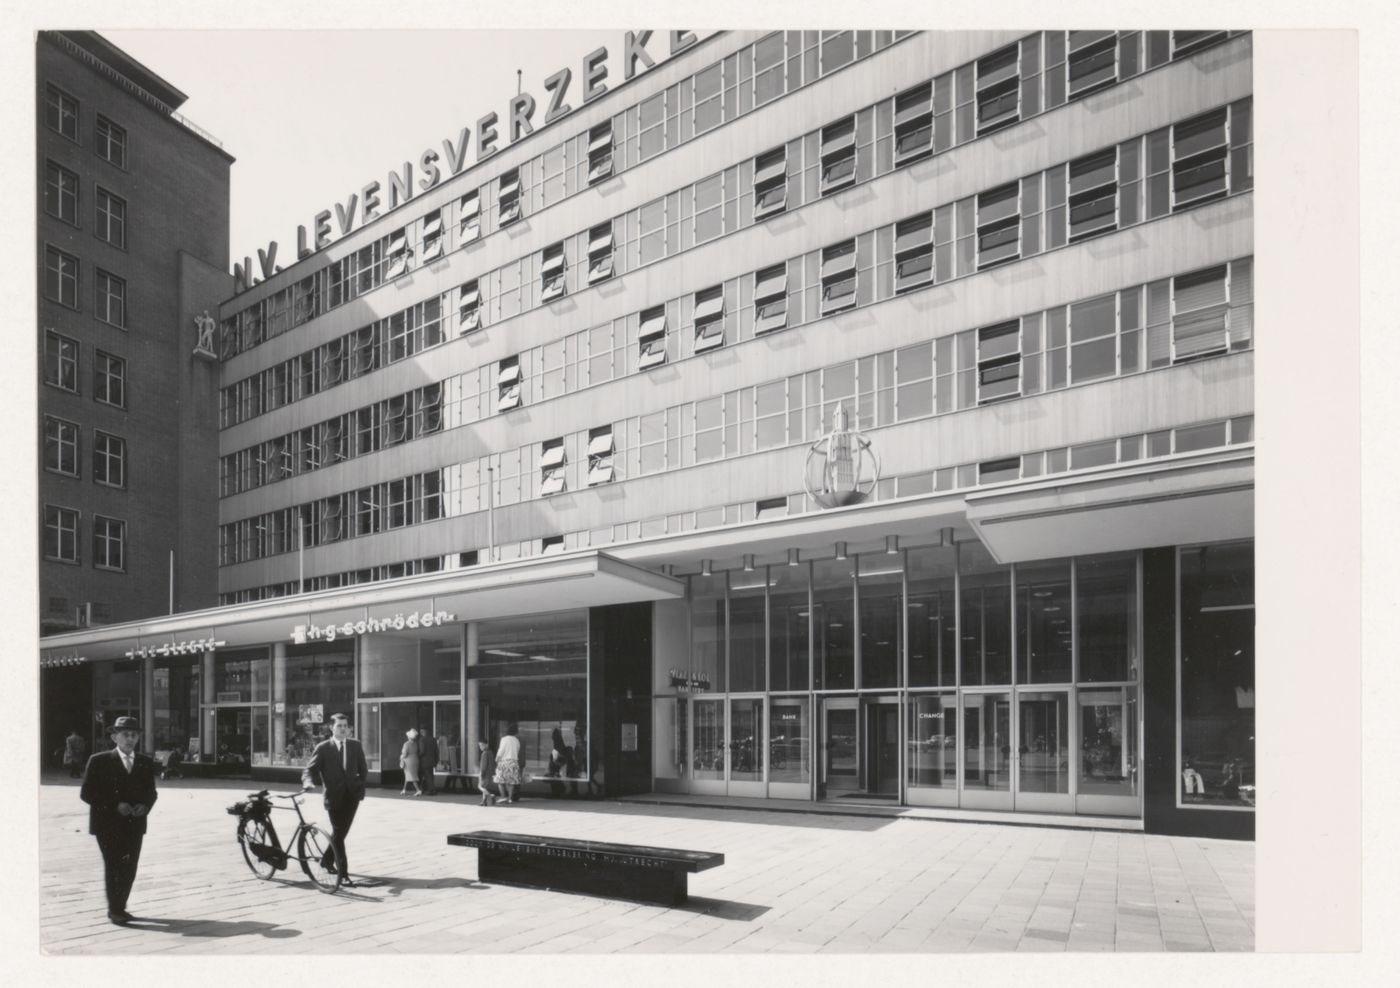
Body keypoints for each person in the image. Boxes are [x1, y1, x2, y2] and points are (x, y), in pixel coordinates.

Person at [79, 716, 158, 924]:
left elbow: (151, 792)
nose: (130, 739)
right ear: (115, 737)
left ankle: (120, 906)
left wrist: (146, 806)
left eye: (134, 735)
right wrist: (115, 805)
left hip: (135, 824)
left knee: (130, 866)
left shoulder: (145, 762)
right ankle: (115, 909)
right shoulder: (98, 760)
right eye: (125, 734)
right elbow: (87, 793)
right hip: (107, 825)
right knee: (114, 864)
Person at [301, 713, 368, 887]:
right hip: (334, 797)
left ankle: (326, 860)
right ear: (332, 728)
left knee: (340, 833)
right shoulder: (323, 748)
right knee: (339, 832)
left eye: (346, 725)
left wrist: (359, 784)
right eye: (339, 726)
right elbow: (309, 770)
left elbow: (363, 769)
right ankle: (343, 873)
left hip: (352, 796)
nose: (343, 729)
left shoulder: (355, 745)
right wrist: (308, 783)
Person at [495, 723, 524, 803]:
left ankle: (503, 796)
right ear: (515, 732)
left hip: (504, 762)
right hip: (514, 762)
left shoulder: (504, 739)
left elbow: (501, 751)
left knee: (500, 781)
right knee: (511, 782)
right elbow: (517, 751)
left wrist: (497, 759)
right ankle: (510, 798)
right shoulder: (517, 740)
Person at [399, 728, 422, 796]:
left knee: (412, 776)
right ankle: (404, 789)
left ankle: (418, 790)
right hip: (415, 760)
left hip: (408, 761)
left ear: (409, 736)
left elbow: (405, 753)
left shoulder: (406, 744)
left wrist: (401, 757)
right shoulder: (415, 744)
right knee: (408, 775)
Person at [476, 740, 499, 806]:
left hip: (485, 773)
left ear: (486, 745)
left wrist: (481, 773)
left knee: (480, 786)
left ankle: (492, 795)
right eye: (479, 745)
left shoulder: (484, 753)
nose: (480, 747)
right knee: (485, 787)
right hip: (490, 773)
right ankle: (484, 801)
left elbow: (483, 765)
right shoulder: (490, 752)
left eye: (481, 745)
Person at [418, 727, 439, 796]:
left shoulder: (422, 739)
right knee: (430, 775)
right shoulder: (433, 739)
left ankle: (431, 790)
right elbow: (436, 751)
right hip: (432, 760)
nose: (420, 733)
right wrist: (436, 760)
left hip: (425, 760)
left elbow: (422, 751)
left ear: (424, 731)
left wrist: (418, 756)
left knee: (427, 775)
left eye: (421, 731)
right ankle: (427, 789)